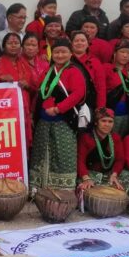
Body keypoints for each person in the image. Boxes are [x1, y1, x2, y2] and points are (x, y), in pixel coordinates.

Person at [29, 38, 86, 189]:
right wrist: (32, 113)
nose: (60, 55)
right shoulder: (48, 71)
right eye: (56, 52)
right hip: (44, 122)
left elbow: (78, 94)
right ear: (52, 54)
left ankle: (62, 188)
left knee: (62, 155)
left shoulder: (73, 72)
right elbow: (40, 93)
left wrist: (58, 109)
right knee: (41, 154)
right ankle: (38, 187)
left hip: (63, 122)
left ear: (71, 53)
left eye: (63, 52)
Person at [0, 33, 36, 146]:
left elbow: (35, 90)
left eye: (16, 43)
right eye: (10, 43)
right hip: (1, 115)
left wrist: (28, 86)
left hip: (22, 115)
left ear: (20, 46)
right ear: (4, 46)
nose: (13, 46)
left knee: (21, 146)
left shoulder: (26, 65)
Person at [77, 108, 129, 192]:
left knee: (128, 175)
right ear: (96, 122)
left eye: (110, 121)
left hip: (108, 173)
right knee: (90, 184)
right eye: (103, 121)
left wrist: (114, 174)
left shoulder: (116, 138)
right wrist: (86, 178)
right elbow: (80, 160)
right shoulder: (86, 138)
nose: (107, 124)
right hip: (89, 173)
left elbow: (120, 160)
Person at [103, 40, 129, 135]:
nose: (125, 55)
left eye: (128, 53)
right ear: (115, 53)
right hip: (111, 113)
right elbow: (101, 90)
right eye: (122, 52)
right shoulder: (106, 68)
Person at [69, 30, 106, 109]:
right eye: (76, 41)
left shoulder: (95, 62)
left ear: (88, 44)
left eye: (83, 40)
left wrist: (100, 108)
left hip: (89, 104)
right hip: (68, 103)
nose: (79, 43)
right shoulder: (66, 61)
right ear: (71, 44)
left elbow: (101, 87)